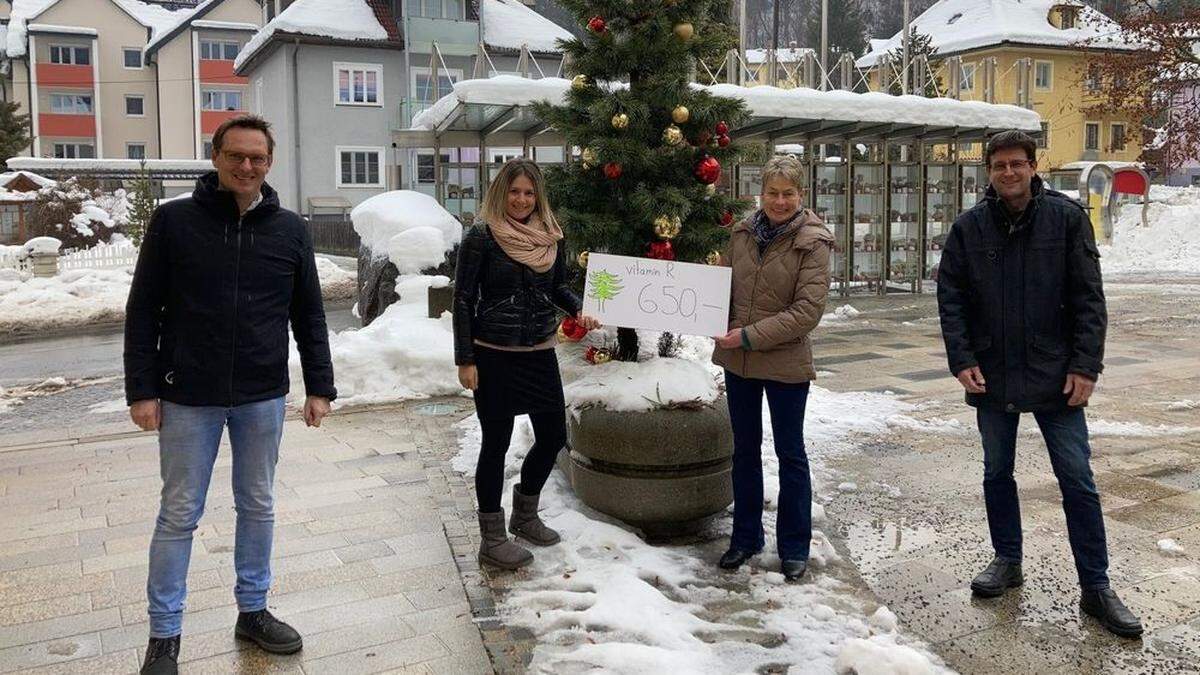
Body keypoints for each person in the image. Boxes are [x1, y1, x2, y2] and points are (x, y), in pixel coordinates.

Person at [124, 115, 337, 674]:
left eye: (257, 158)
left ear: (269, 164)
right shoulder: (174, 222)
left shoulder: (290, 229)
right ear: (215, 157)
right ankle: (164, 636)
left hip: (261, 396)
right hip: (187, 395)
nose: (247, 166)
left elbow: (309, 314)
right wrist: (141, 390)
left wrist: (320, 386)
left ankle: (253, 610)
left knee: (258, 505)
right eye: (236, 156)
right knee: (178, 514)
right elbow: (143, 310)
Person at [937, 130, 1142, 638]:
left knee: (1077, 479)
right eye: (999, 165)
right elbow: (952, 299)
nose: (1008, 172)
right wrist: (961, 359)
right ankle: (1007, 560)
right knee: (996, 473)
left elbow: (1090, 299)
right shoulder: (969, 228)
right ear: (988, 171)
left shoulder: (1066, 219)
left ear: (1033, 167)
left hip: (1057, 374)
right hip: (993, 371)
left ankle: (1096, 585)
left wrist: (1085, 366)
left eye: (1017, 163)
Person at [453, 158, 600, 569]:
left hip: (538, 351)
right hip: (493, 354)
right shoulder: (481, 236)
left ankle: (525, 514)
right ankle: (492, 539)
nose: (521, 199)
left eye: (529, 192)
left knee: (553, 436)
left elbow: (558, 288)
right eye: (514, 191)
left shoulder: (551, 238)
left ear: (539, 197)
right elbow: (463, 298)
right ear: (502, 192)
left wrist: (580, 310)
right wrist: (465, 359)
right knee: (495, 446)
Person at [712, 155, 834, 582]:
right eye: (772, 193)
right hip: (739, 362)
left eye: (788, 193)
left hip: (784, 362)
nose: (779, 201)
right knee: (743, 450)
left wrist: (745, 335)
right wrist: (708, 314)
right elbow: (721, 287)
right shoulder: (742, 233)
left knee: (790, 454)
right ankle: (745, 537)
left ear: (801, 195)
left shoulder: (813, 242)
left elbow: (806, 312)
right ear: (759, 193)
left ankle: (794, 546)